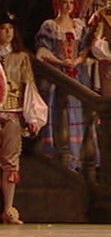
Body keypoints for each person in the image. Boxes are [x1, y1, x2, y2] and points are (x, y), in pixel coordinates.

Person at [35, 0, 90, 171]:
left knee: (78, 111)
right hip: (57, 73)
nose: (68, 6)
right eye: (64, 2)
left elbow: (84, 50)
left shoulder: (79, 26)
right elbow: (43, 50)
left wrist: (76, 61)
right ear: (58, 4)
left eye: (71, 3)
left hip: (77, 73)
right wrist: (61, 62)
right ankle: (56, 154)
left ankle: (77, 159)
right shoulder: (50, 26)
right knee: (58, 110)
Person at [0, 12, 47, 224]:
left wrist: (33, 117)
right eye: (3, 28)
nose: (7, 32)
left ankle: (8, 209)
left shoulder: (21, 57)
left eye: (10, 28)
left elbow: (29, 87)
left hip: (12, 113)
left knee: (10, 162)